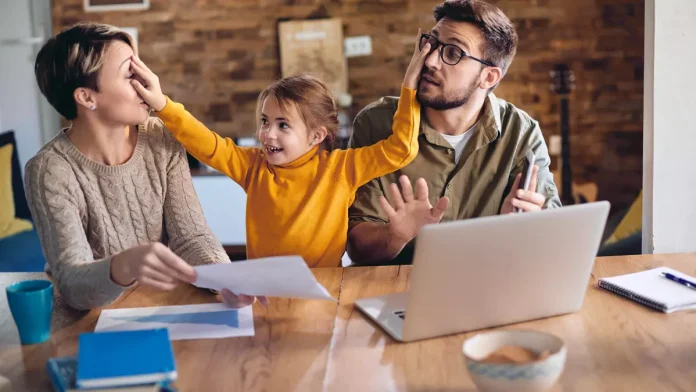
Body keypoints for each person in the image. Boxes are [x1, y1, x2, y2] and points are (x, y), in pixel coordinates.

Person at [129, 30, 431, 269]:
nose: (267, 133)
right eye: (264, 121)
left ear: (315, 136)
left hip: (325, 290)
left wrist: (409, 87)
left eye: (283, 125)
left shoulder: (341, 168)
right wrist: (162, 105)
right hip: (265, 293)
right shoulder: (253, 166)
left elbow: (401, 149)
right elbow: (207, 144)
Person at [25, 22, 250, 310]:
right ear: (86, 97)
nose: (148, 83)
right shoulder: (48, 171)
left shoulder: (161, 136)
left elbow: (191, 236)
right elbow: (72, 283)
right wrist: (123, 266)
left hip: (160, 306)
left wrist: (223, 276)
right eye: (131, 74)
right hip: (89, 322)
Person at [347, 0, 562, 266]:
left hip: (487, 287)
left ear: (489, 77)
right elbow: (356, 246)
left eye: (453, 53)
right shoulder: (376, 124)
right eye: (431, 43)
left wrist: (524, 228)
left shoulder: (521, 134)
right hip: (394, 290)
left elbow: (554, 242)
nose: (431, 60)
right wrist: (395, 236)